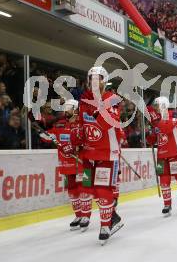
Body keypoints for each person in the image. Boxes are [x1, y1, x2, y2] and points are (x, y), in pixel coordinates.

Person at [76, 66, 125, 245]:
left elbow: (107, 122)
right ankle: (112, 217)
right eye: (91, 79)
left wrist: (98, 110)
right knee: (90, 188)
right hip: (88, 153)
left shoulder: (112, 99)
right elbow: (81, 126)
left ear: (105, 81)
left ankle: (106, 225)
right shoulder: (84, 101)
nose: (95, 82)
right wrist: (75, 140)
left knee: (103, 190)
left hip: (107, 153)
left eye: (98, 79)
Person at [41, 99, 84, 230]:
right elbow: (46, 138)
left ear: (76, 109)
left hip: (81, 163)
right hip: (66, 164)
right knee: (71, 189)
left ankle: (87, 214)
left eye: (68, 108)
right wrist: (44, 133)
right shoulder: (59, 124)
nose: (65, 110)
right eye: (64, 108)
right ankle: (78, 215)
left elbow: (86, 141)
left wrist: (73, 147)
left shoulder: (81, 124)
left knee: (84, 189)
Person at [146, 96, 177, 216]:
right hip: (161, 155)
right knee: (164, 181)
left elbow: (167, 128)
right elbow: (152, 139)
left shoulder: (173, 114)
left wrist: (155, 124)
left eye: (156, 106)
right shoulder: (157, 120)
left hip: (175, 152)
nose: (155, 109)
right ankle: (167, 204)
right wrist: (150, 133)